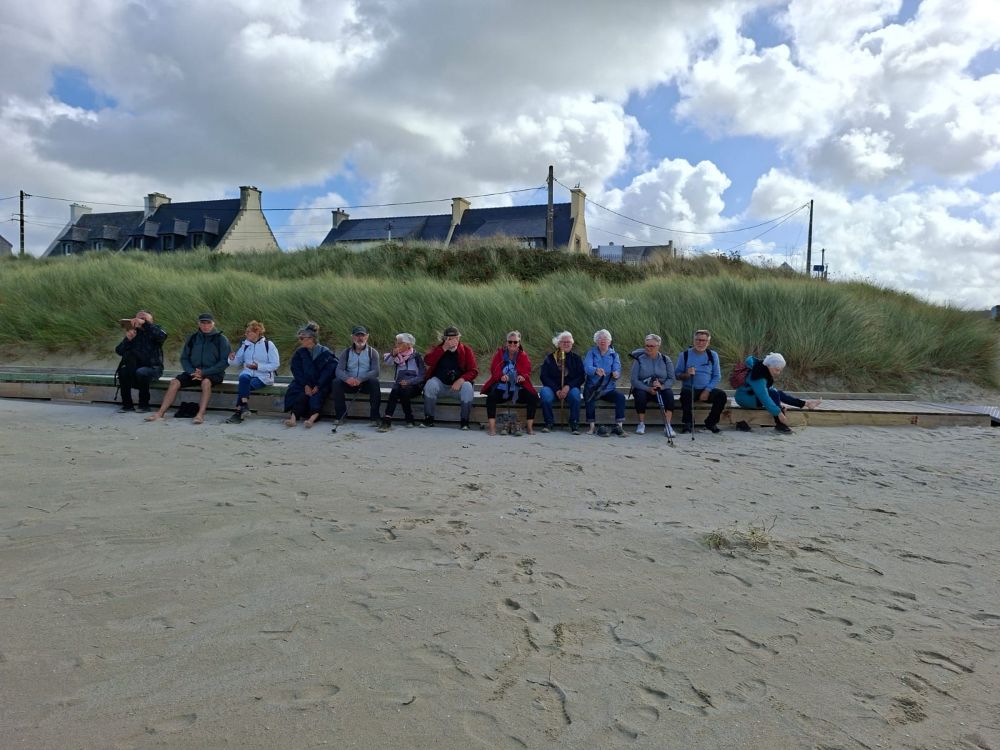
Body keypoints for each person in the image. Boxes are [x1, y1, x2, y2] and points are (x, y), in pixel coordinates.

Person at [145, 312, 231, 425]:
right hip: (193, 372)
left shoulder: (221, 339)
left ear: (213, 324)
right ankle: (160, 413)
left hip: (213, 373)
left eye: (208, 323)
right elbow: (184, 358)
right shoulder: (192, 338)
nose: (205, 326)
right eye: (203, 323)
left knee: (206, 382)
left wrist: (204, 372)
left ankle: (200, 414)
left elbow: (224, 362)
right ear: (199, 324)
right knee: (175, 382)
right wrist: (192, 372)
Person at [733, 352, 821, 433]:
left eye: (780, 370)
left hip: (752, 395)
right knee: (773, 393)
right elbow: (764, 397)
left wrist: (778, 405)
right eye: (777, 370)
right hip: (745, 399)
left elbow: (770, 392)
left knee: (777, 393)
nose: (778, 373)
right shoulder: (758, 375)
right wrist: (779, 413)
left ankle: (807, 403)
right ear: (769, 365)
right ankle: (780, 424)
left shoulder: (763, 368)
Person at [481, 331, 539, 436]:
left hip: (518, 389)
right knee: (491, 397)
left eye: (515, 342)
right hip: (502, 389)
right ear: (506, 342)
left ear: (519, 343)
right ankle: (492, 428)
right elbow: (494, 370)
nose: (512, 344)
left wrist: (522, 376)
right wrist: (501, 376)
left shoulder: (523, 355)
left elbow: (527, 370)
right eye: (510, 342)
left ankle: (530, 428)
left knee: (532, 397)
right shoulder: (499, 354)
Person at [422, 325, 478, 430]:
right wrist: (444, 348)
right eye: (449, 338)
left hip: (457, 388)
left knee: (467, 386)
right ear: (444, 339)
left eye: (455, 338)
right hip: (441, 386)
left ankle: (465, 421)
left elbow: (473, 371)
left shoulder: (466, 350)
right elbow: (428, 361)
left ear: (459, 338)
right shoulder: (438, 349)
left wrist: (461, 380)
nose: (452, 341)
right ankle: (429, 419)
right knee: (430, 384)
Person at [225, 320, 280, 424]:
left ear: (257, 332)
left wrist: (258, 367)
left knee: (244, 386)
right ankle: (244, 406)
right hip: (248, 374)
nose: (246, 334)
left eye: (248, 332)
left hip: (263, 377)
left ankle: (239, 412)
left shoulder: (269, 345)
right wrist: (231, 359)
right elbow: (237, 362)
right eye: (246, 332)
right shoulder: (245, 345)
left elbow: (275, 364)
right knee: (243, 378)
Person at [284, 322, 337, 427]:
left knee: (317, 397)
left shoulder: (325, 353)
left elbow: (328, 372)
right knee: (299, 394)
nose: (300, 341)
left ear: (311, 339)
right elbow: (296, 370)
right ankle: (293, 419)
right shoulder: (300, 353)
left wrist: (318, 385)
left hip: (321, 383)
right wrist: (306, 384)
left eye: (302, 338)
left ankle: (311, 420)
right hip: (303, 382)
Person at [675, 329, 728, 434]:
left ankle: (711, 423)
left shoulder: (713, 355)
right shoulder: (684, 355)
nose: (700, 343)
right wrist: (687, 374)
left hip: (706, 389)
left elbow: (717, 376)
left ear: (708, 342)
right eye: (698, 340)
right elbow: (677, 375)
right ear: (694, 340)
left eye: (704, 340)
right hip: (690, 388)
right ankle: (688, 423)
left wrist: (707, 390)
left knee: (721, 395)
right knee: (685, 394)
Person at [114, 309, 167, 413]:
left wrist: (144, 324)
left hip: (154, 368)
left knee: (141, 372)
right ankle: (127, 405)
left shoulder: (156, 330)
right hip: (134, 368)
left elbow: (162, 336)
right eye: (138, 318)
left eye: (144, 319)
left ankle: (144, 405)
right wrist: (128, 339)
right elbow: (119, 351)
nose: (140, 320)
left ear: (151, 321)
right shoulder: (134, 333)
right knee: (123, 371)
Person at [331, 325, 382, 425]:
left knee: (374, 382)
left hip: (365, 384)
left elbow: (376, 371)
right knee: (336, 382)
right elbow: (339, 370)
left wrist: (360, 379)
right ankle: (340, 416)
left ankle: (375, 417)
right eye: (357, 335)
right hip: (349, 383)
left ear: (367, 336)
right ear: (352, 337)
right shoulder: (346, 352)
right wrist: (347, 379)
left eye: (362, 335)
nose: (360, 338)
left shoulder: (373, 352)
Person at [629, 334, 676, 437]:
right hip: (643, 388)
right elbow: (634, 380)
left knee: (669, 394)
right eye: (647, 345)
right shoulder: (639, 359)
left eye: (652, 346)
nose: (648, 348)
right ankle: (641, 424)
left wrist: (662, 387)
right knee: (640, 395)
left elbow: (672, 379)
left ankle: (668, 425)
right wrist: (648, 389)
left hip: (660, 388)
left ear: (658, 346)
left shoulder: (665, 359)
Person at [539, 331, 584, 434]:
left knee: (576, 395)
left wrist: (568, 387)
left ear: (572, 343)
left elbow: (581, 377)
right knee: (544, 393)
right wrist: (556, 390)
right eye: (564, 342)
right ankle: (549, 422)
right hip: (553, 389)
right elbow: (544, 376)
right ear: (558, 344)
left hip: (570, 389)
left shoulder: (576, 359)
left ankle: (574, 423)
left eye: (569, 342)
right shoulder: (550, 358)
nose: (566, 344)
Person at [583, 329, 626, 436]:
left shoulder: (614, 355)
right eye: (600, 339)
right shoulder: (591, 353)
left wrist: (616, 374)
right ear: (596, 341)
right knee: (589, 398)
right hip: (593, 388)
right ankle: (592, 427)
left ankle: (619, 426)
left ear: (609, 341)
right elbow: (587, 368)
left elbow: (617, 369)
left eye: (605, 339)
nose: (602, 341)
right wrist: (595, 370)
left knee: (621, 397)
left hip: (608, 389)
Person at [379, 333, 425, 431]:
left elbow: (422, 376)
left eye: (400, 343)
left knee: (402, 390)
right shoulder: (397, 356)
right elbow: (387, 362)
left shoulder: (417, 356)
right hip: (400, 384)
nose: (397, 345)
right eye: (397, 342)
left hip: (414, 385)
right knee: (396, 389)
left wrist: (409, 382)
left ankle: (408, 418)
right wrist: (393, 354)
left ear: (408, 344)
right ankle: (388, 419)